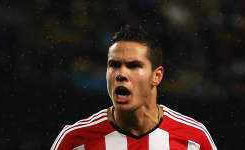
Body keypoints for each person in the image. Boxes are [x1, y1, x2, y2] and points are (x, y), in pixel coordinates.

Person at [50, 25, 217, 150]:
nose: (121, 74)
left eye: (133, 66)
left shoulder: (194, 138)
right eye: (114, 65)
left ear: (156, 76)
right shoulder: (74, 140)